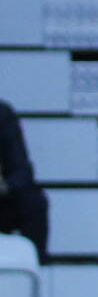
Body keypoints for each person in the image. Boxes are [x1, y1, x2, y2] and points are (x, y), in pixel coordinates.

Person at [0, 98, 47, 260]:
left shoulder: (2, 114)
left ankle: (34, 265)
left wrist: (5, 186)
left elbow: (22, 171)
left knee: (33, 202)